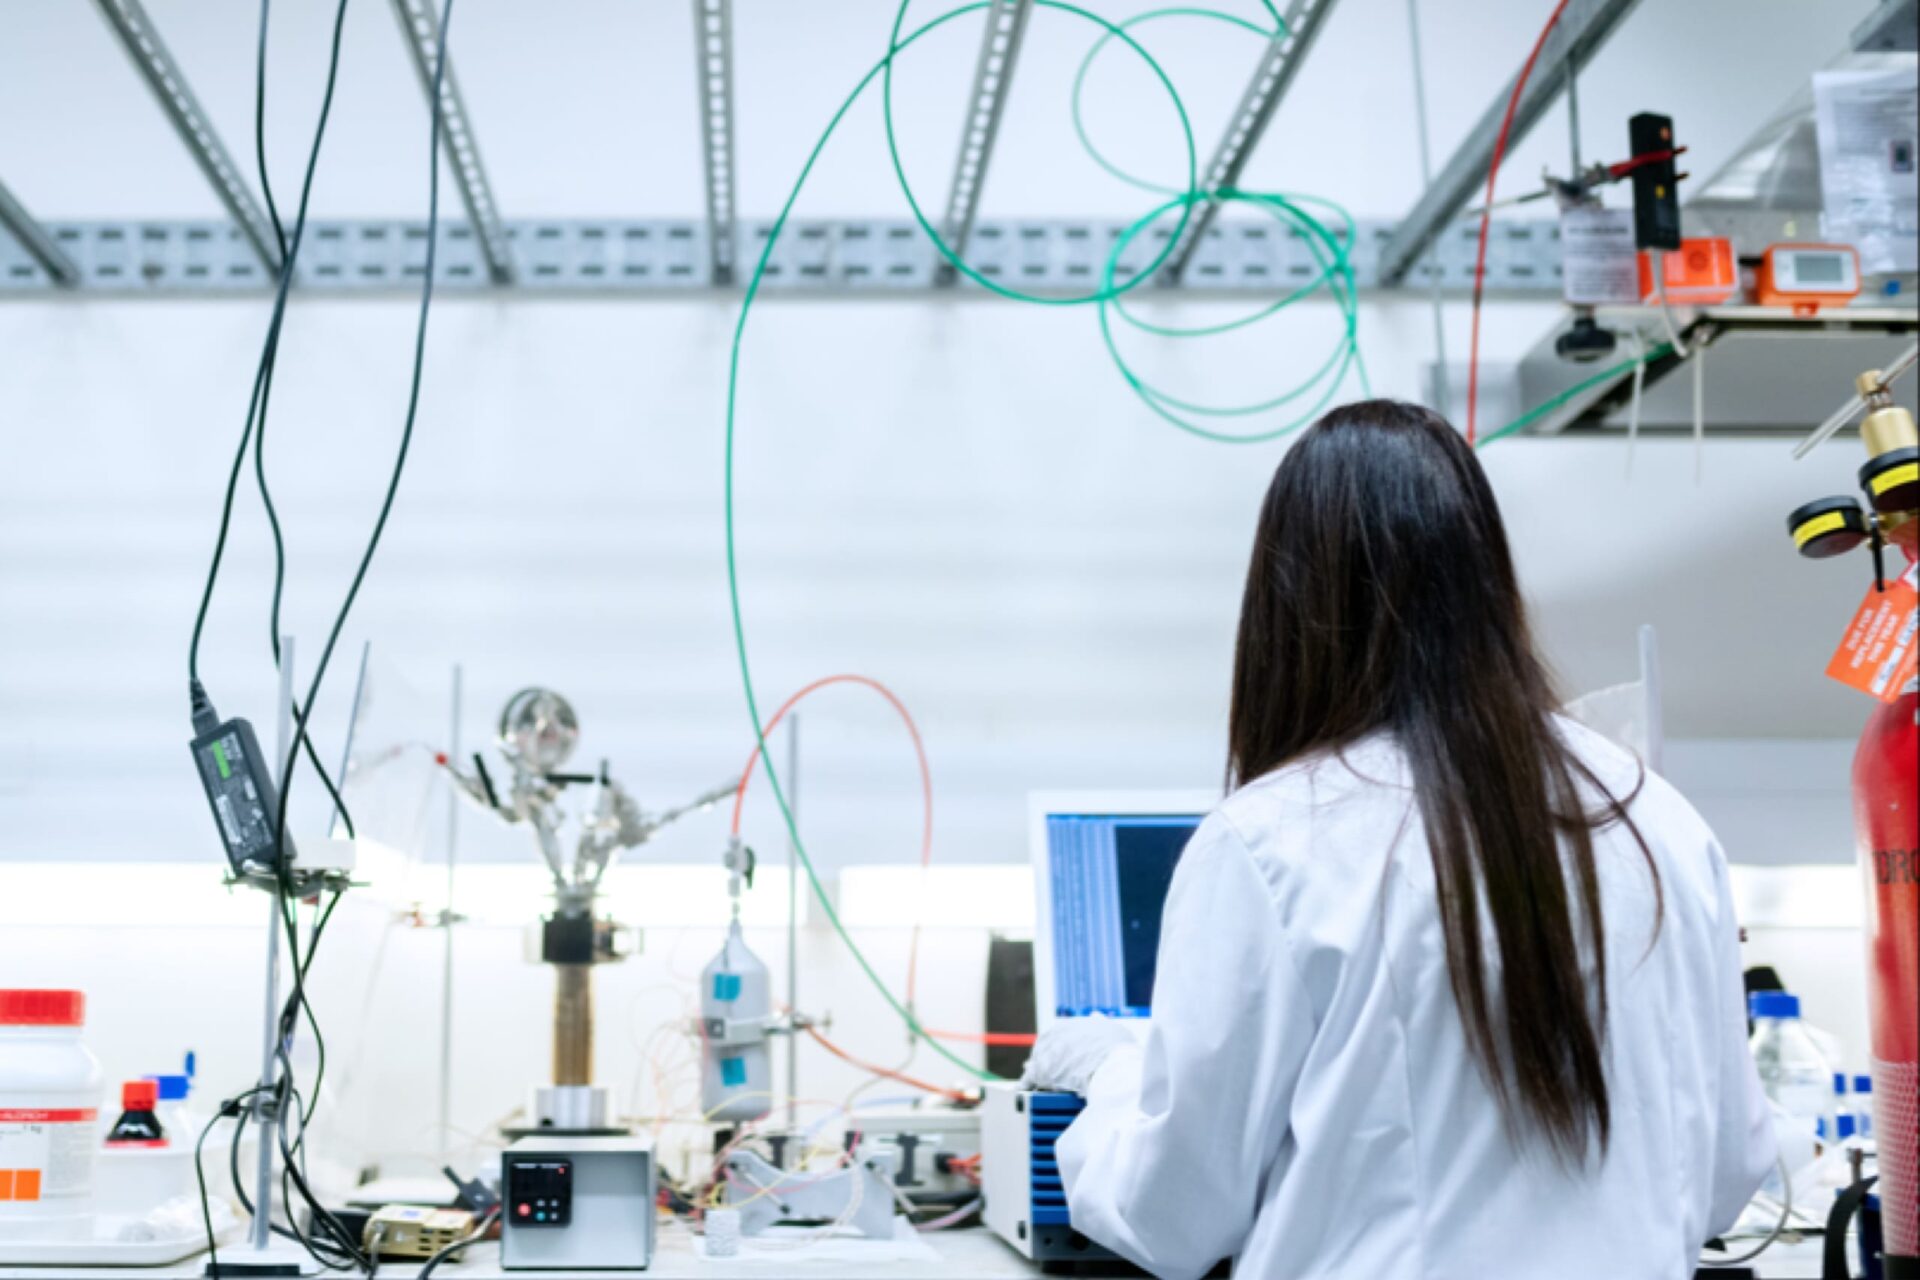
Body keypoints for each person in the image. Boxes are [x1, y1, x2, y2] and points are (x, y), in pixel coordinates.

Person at [1022, 401, 1776, 1280]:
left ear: (1288, 601)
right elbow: (1726, 1174)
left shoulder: (1276, 839)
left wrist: (1113, 1076)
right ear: (1489, 577)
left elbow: (1172, 1217)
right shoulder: (1655, 817)